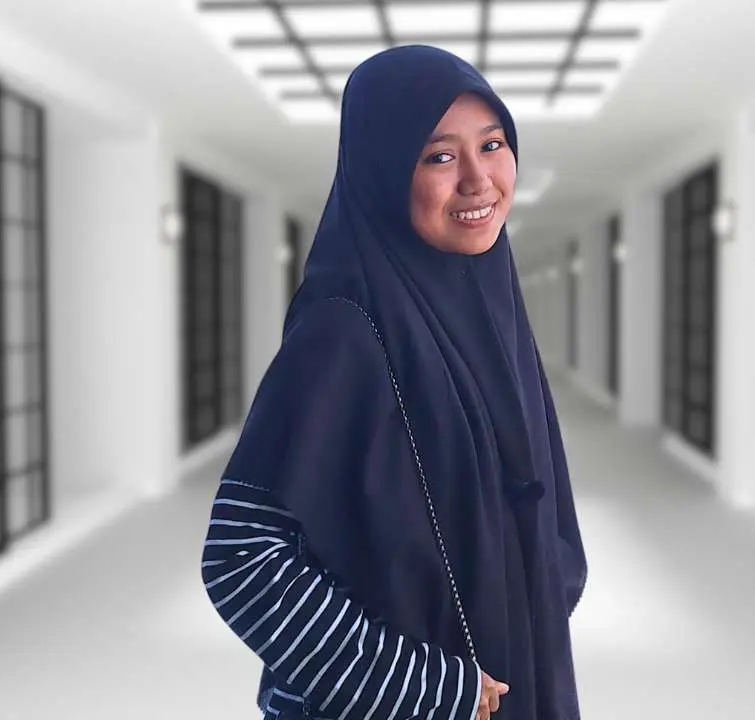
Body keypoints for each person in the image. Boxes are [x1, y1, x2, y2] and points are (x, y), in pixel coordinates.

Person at [201, 44, 587, 720]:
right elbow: (242, 556)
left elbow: (530, 492)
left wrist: (536, 605)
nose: (478, 180)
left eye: (492, 145)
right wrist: (428, 687)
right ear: (382, 171)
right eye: (438, 157)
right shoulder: (343, 330)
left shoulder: (490, 307)